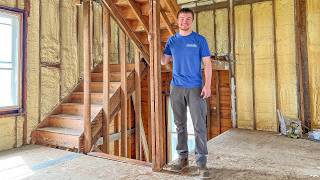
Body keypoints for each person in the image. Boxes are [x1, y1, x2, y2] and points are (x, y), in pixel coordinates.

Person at [149, 7, 212, 179]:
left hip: (195, 87)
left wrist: (208, 85)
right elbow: (163, 61)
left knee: (199, 126)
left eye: (188, 19)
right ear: (178, 21)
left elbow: (207, 64)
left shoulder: (200, 40)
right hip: (176, 87)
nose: (184, 21)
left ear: (192, 21)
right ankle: (182, 158)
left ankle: (201, 163)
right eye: (182, 19)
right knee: (179, 124)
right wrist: (154, 43)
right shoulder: (172, 40)